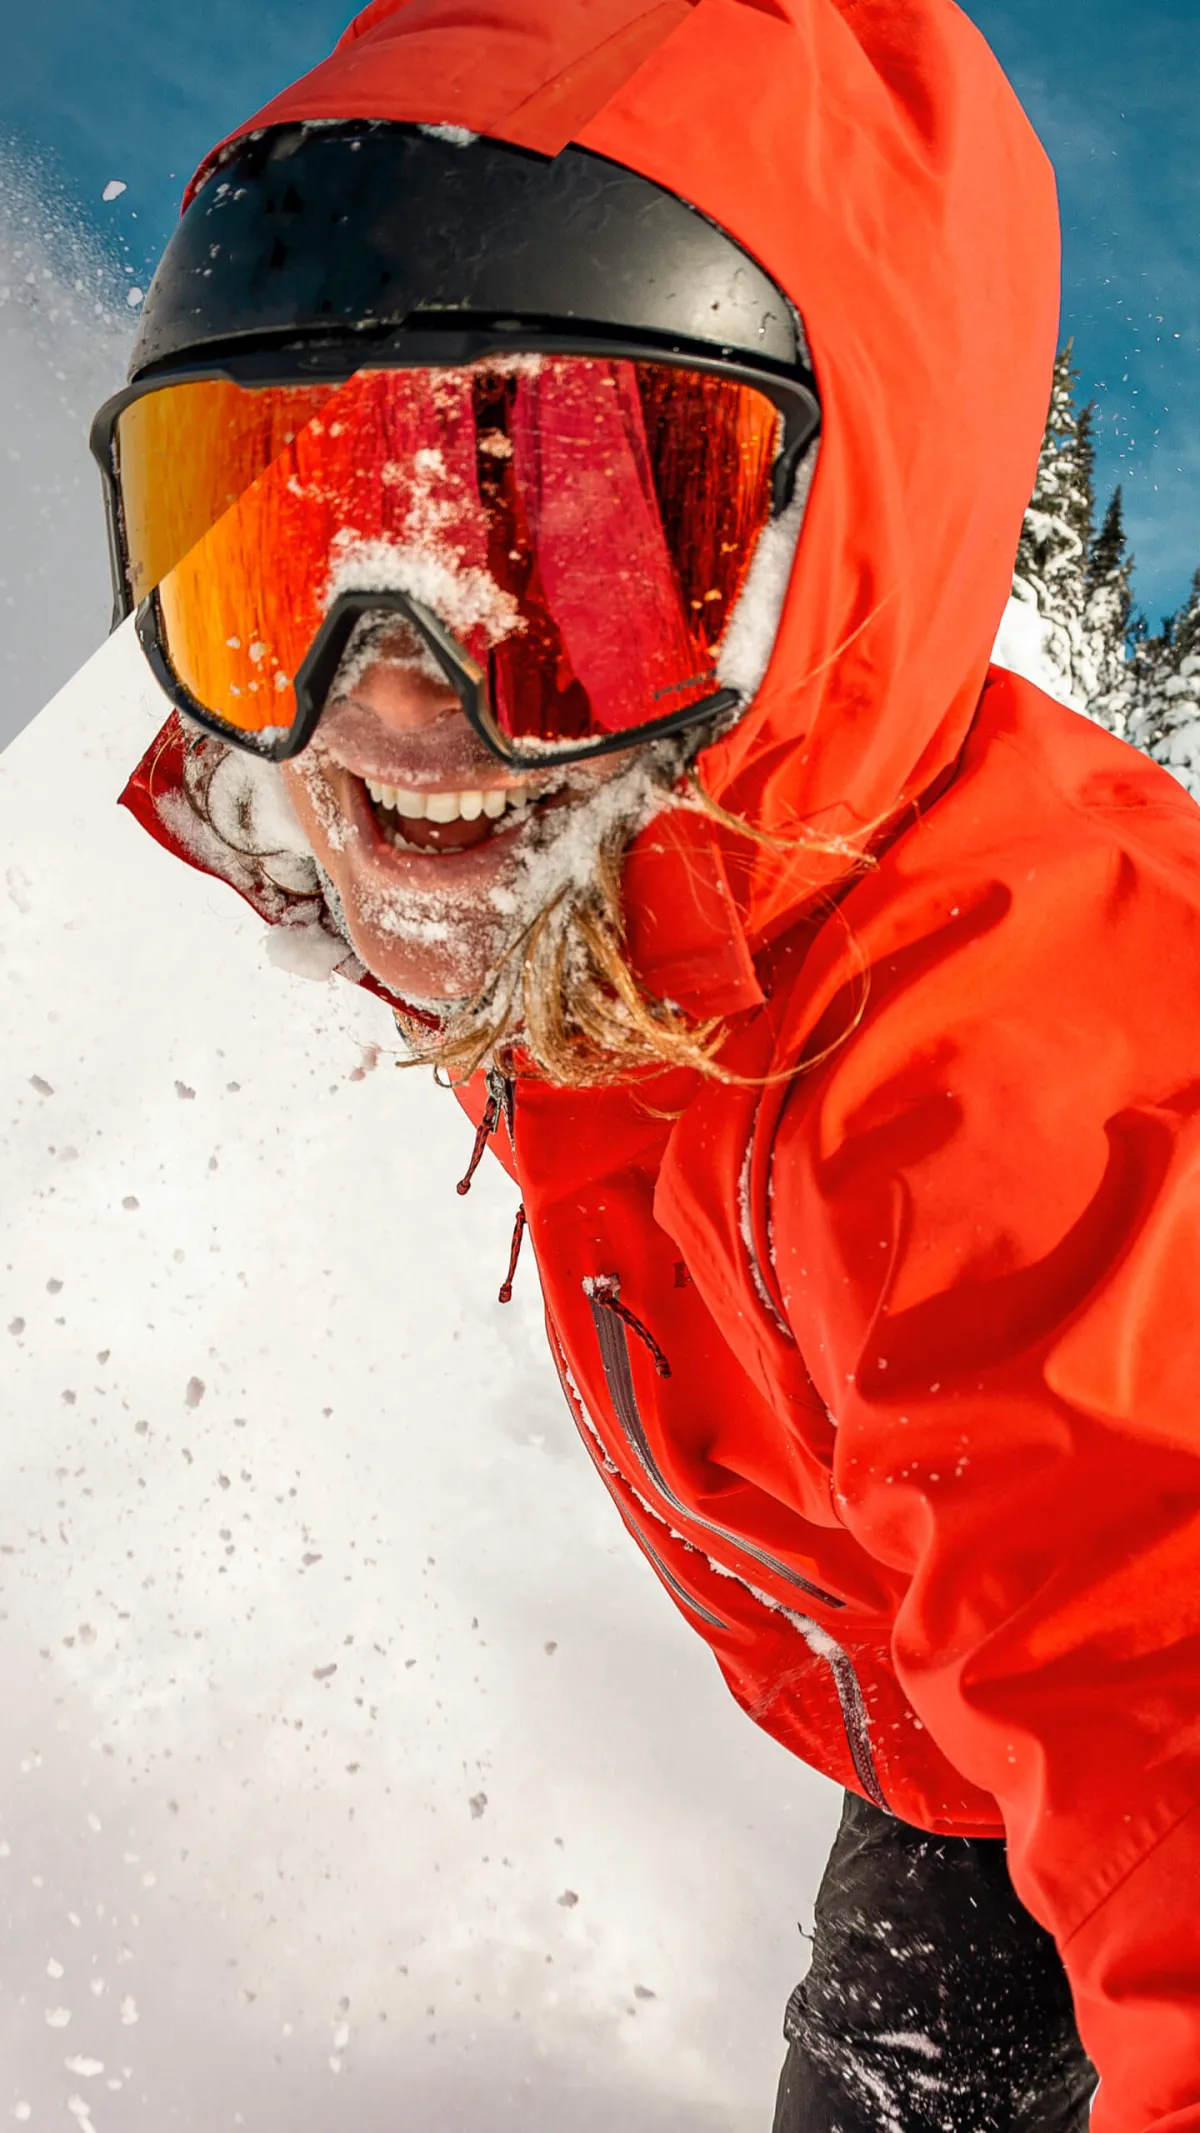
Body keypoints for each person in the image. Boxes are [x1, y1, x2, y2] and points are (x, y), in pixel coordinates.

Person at [89, 2, 1200, 2127]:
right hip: (952, 1770)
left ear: (821, 562)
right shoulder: (623, 888)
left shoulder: (1003, 1098)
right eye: (287, 546)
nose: (392, 703)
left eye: (564, 550)